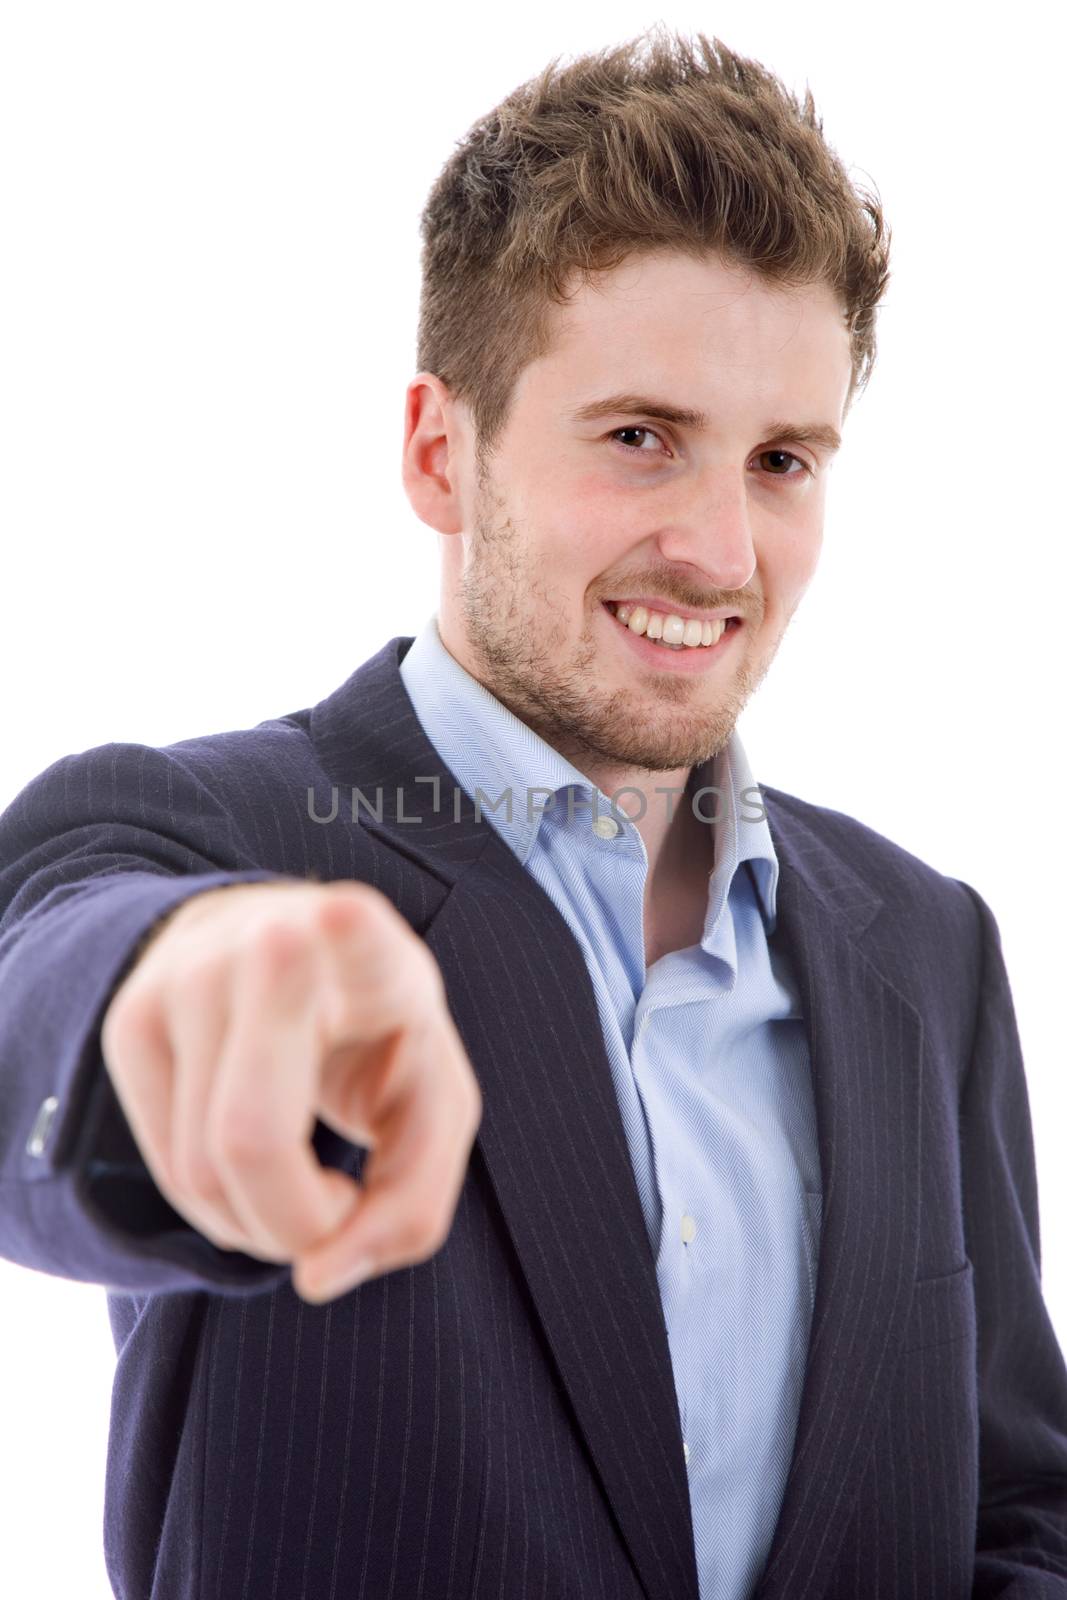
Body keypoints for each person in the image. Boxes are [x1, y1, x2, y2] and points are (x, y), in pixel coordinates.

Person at [1, 24, 1065, 1600]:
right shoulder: (217, 839)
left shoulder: (930, 946)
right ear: (443, 452)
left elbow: (1016, 1511)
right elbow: (51, 977)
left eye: (782, 460)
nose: (719, 549)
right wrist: (173, 1001)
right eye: (640, 439)